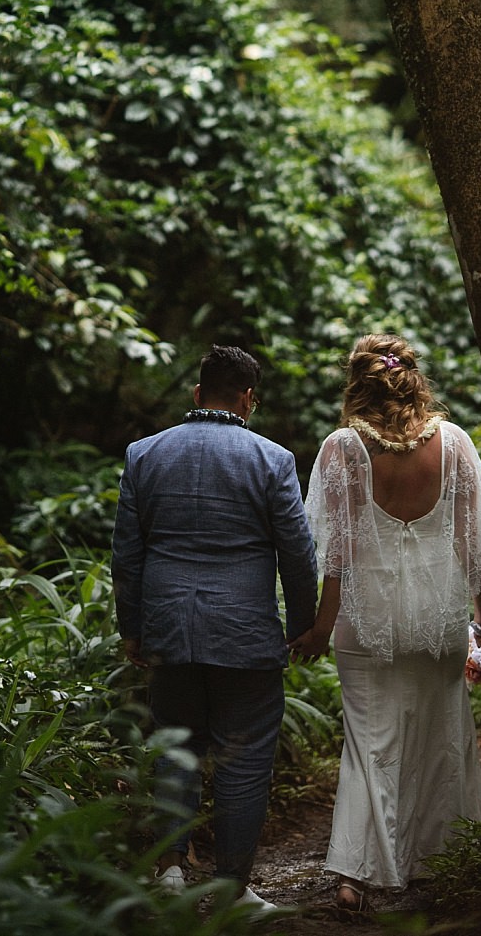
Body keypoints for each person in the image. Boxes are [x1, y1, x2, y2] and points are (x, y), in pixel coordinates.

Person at [290, 333, 481, 916]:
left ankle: (358, 878)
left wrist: (319, 627)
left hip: (366, 622)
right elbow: (472, 544)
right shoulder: (454, 444)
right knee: (442, 741)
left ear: (356, 385)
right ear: (413, 379)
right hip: (439, 620)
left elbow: (337, 554)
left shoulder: (342, 448)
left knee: (369, 748)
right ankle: (442, 862)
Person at [112, 342, 318, 916]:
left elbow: (127, 554)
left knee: (175, 749)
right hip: (246, 636)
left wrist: (133, 628)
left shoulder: (144, 455)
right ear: (248, 400)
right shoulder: (272, 460)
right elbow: (297, 556)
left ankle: (172, 871)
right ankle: (232, 889)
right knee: (245, 760)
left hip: (170, 630)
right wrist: (304, 626)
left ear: (198, 393)